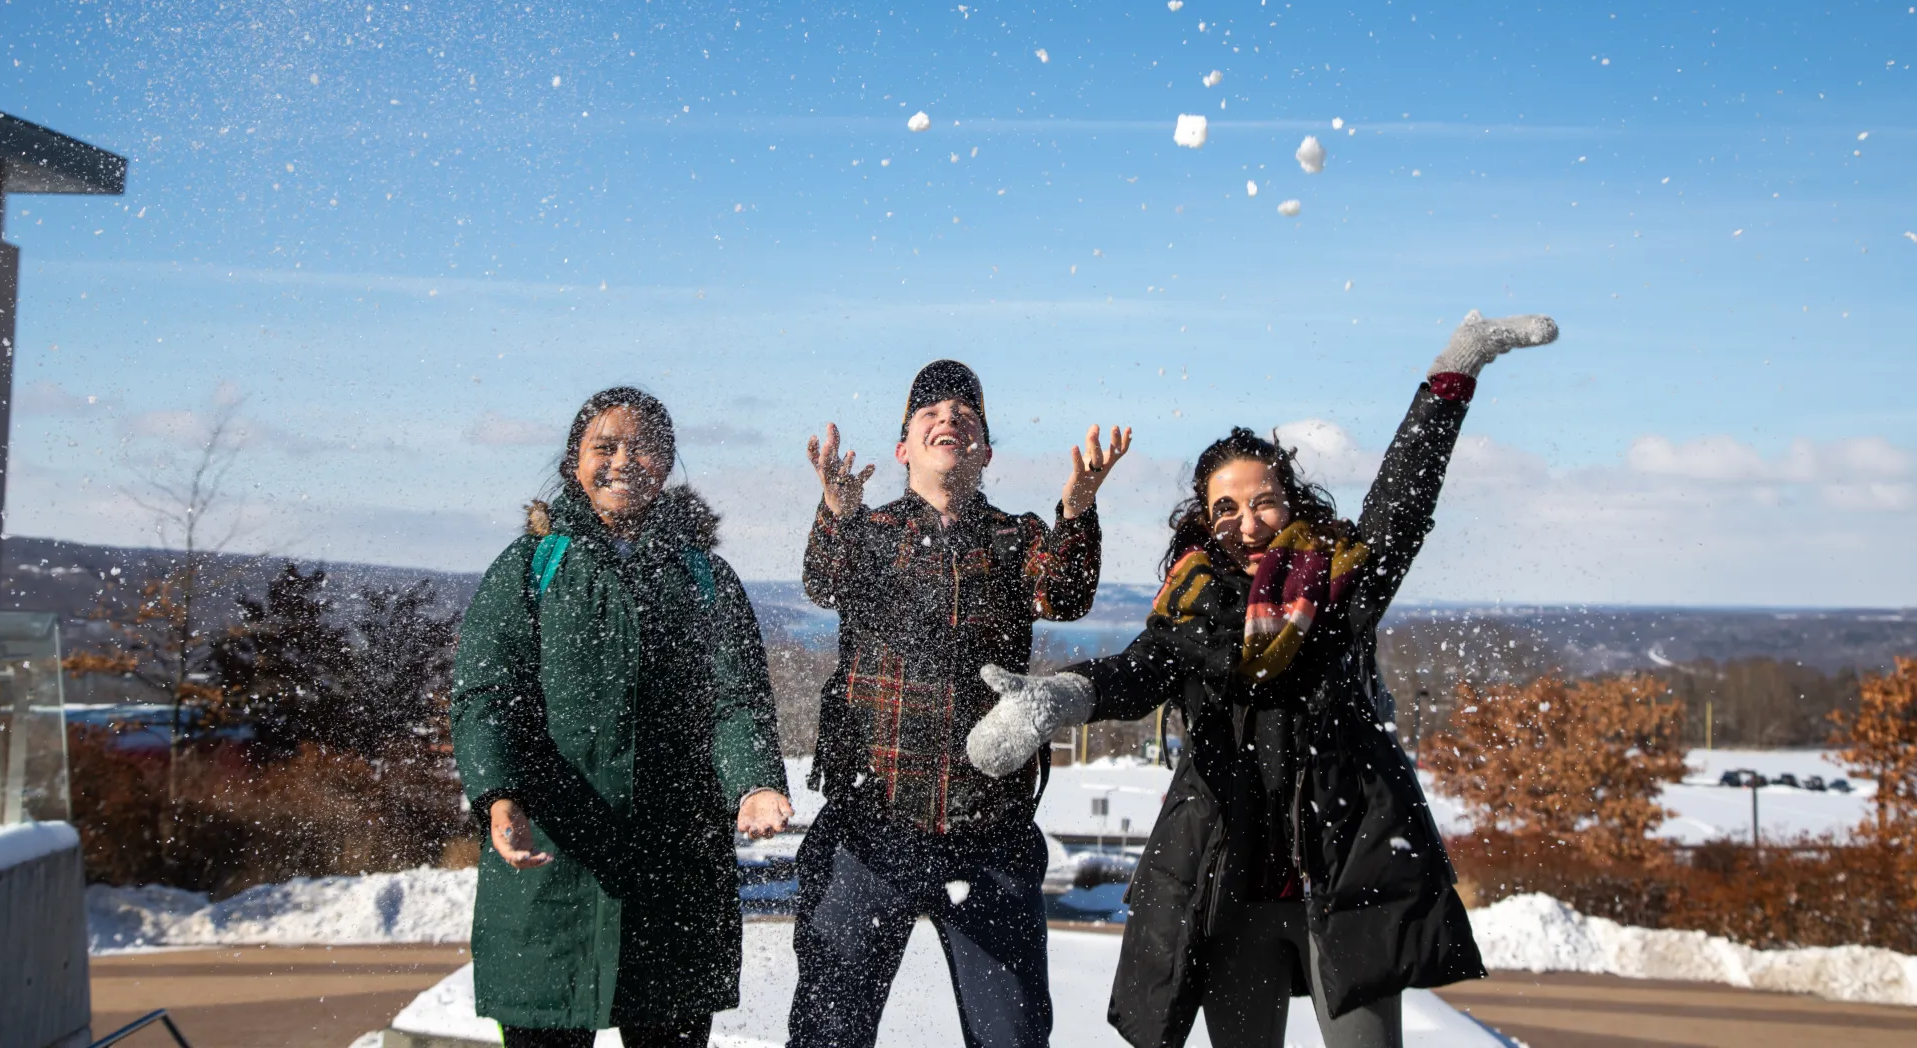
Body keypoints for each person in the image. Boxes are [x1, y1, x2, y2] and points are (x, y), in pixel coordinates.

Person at [968, 312, 1559, 1048]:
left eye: (1263, 501)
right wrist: (1065, 694)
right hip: (1231, 887)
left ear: (1292, 503)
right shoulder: (1191, 608)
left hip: (1347, 877)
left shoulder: (1341, 588)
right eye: (1225, 507)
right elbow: (1139, 671)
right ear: (1201, 519)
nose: (1246, 522)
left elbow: (1404, 497)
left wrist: (1453, 373)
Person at [788, 359, 1132, 1048]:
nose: (949, 421)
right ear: (903, 449)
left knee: (1011, 1036)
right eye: (931, 416)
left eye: (966, 417)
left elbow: (1065, 596)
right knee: (829, 1034)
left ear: (986, 452)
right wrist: (834, 511)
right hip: (870, 824)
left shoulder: (1018, 537)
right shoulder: (869, 530)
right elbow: (823, 582)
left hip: (990, 833)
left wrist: (1080, 510)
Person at [451, 387, 792, 1048]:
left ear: (667, 463)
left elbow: (737, 700)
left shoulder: (703, 577)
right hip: (553, 861)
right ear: (574, 463)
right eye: (604, 446)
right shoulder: (532, 566)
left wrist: (754, 782)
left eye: (642, 446)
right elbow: (485, 694)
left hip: (675, 872)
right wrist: (499, 795)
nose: (622, 460)